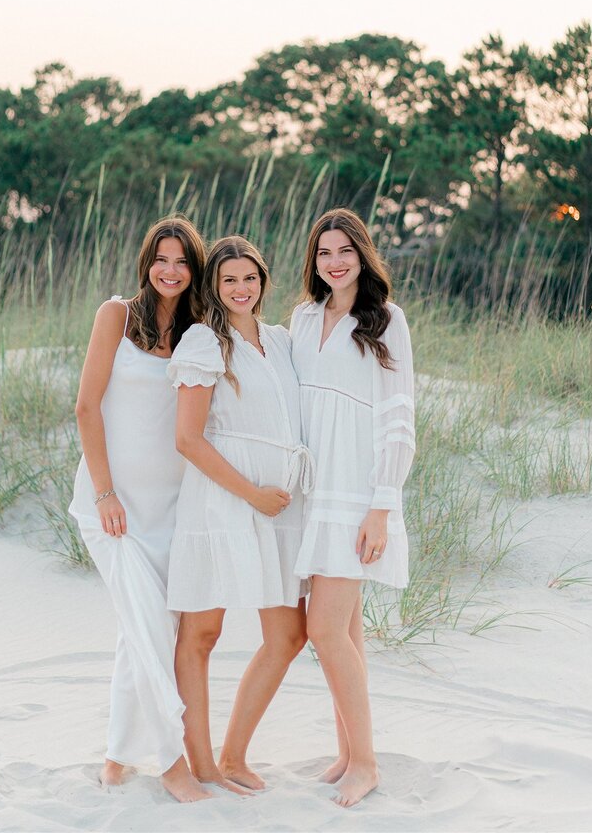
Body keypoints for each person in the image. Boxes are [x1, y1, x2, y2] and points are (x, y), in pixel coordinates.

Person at [69, 214, 209, 804]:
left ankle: (116, 757)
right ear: (146, 262)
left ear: (194, 270)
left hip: (173, 510)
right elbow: (86, 407)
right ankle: (172, 764)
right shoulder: (116, 316)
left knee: (145, 630)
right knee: (149, 632)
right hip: (114, 509)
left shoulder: (201, 332)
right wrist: (105, 493)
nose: (170, 271)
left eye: (181, 262)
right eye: (161, 259)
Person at [166, 236, 314, 792]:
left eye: (249, 278)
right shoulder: (205, 342)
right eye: (229, 279)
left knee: (289, 634)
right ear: (214, 286)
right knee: (203, 631)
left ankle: (233, 756)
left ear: (263, 280)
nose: (240, 288)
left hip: (281, 508)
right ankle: (202, 764)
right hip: (224, 499)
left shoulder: (280, 340)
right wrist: (251, 493)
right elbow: (187, 438)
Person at [290, 208, 415, 808]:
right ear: (313, 261)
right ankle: (347, 752)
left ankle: (366, 763)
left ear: (363, 255)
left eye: (345, 250)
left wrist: (381, 506)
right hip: (311, 495)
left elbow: (398, 418)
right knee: (346, 631)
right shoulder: (302, 318)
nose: (334, 262)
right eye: (324, 252)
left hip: (354, 495)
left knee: (323, 630)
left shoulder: (386, 320)